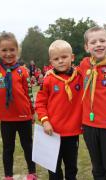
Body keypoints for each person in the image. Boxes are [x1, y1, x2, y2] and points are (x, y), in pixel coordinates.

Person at [79, 26, 106, 180]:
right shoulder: (84, 64)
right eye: (93, 42)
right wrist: (51, 71)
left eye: (102, 40)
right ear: (86, 47)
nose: (98, 44)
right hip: (89, 125)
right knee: (97, 169)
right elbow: (67, 73)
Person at [35, 40, 83, 180]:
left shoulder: (80, 76)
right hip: (52, 133)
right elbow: (40, 103)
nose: (60, 61)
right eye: (56, 59)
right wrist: (45, 121)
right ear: (51, 61)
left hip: (72, 133)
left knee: (71, 168)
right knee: (54, 169)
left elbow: (93, 63)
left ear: (72, 57)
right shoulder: (48, 80)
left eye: (64, 57)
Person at [0, 32, 36, 180]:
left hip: (24, 116)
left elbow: (29, 93)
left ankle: (32, 172)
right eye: (4, 50)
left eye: (12, 50)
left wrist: (32, 111)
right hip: (6, 119)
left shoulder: (23, 70)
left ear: (17, 51)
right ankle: (8, 175)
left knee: (28, 146)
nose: (8, 53)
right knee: (7, 149)